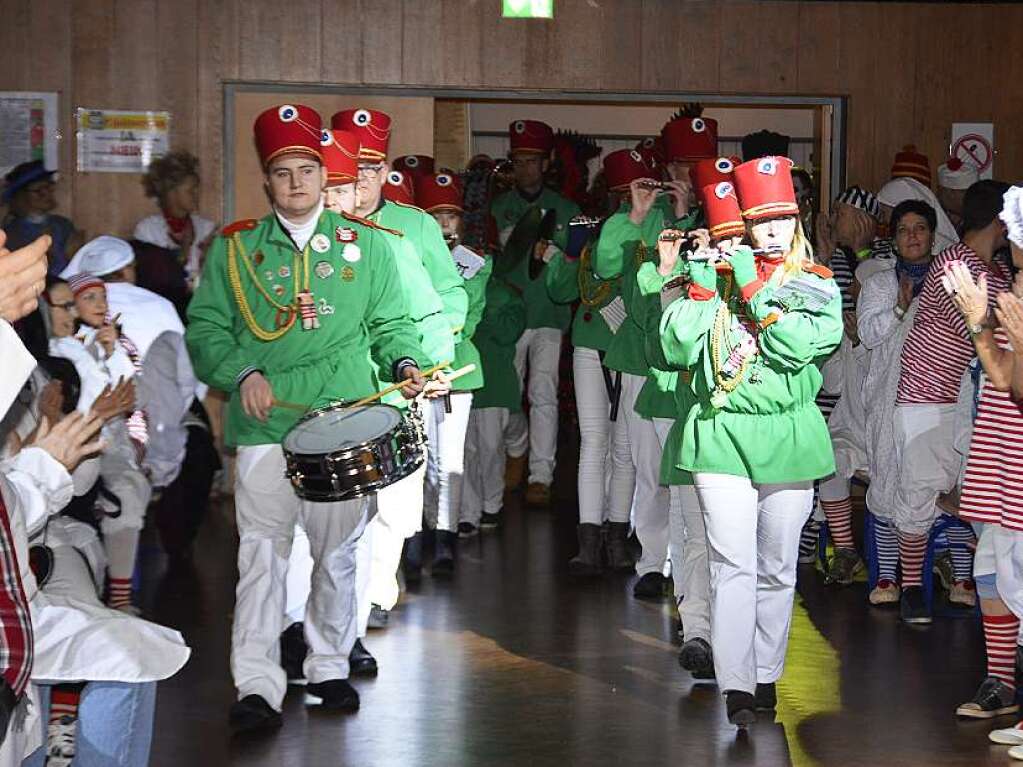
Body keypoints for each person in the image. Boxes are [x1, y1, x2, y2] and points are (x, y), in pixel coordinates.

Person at [185, 103, 435, 734]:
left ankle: (327, 666)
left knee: (337, 555)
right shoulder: (236, 249)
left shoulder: (370, 248)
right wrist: (244, 374)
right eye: (282, 172)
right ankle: (258, 683)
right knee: (261, 557)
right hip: (267, 429)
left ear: (325, 176)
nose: (295, 182)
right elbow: (208, 329)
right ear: (267, 181)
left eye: (306, 169)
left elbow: (392, 323)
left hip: (342, 425)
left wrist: (405, 358)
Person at [655, 155, 842, 726]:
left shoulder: (814, 283)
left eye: (782, 217)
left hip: (788, 434)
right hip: (720, 434)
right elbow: (675, 348)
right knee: (730, 563)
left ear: (796, 221)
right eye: (760, 219)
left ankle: (766, 675)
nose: (771, 229)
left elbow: (801, 347)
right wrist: (704, 289)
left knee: (778, 567)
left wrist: (755, 288)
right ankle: (737, 684)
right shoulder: (714, 277)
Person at [332, 107, 466, 625]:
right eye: (353, 168)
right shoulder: (323, 227)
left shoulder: (412, 226)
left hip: (397, 384)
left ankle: (374, 597)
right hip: (337, 387)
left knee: (394, 505)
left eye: (371, 169)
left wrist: (433, 361)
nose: (362, 181)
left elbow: (445, 297)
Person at [591, 113, 711, 600]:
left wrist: (688, 218)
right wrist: (638, 216)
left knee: (694, 473)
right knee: (650, 468)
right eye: (681, 165)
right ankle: (653, 561)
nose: (686, 176)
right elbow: (604, 266)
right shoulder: (641, 218)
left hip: (699, 368)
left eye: (697, 167)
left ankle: (692, 569)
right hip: (644, 362)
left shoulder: (714, 217)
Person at [637, 167, 748, 679]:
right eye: (715, 238)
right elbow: (664, 347)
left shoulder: (763, 283)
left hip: (750, 438)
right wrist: (669, 274)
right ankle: (699, 633)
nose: (723, 248)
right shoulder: (690, 282)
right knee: (694, 540)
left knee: (739, 547)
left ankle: (734, 640)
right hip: (695, 430)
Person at [891, 180, 1011, 624]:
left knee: (976, 495)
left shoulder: (993, 270)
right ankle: (912, 588)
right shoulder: (955, 264)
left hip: (965, 401)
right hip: (923, 396)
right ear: (1001, 221)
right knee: (919, 491)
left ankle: (982, 587)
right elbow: (991, 323)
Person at [545, 149, 643, 575]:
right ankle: (588, 538)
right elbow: (563, 290)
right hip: (590, 343)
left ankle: (616, 537)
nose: (625, 199)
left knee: (623, 447)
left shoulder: (651, 228)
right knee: (594, 441)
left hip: (628, 347)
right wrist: (566, 255)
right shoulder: (588, 231)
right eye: (620, 190)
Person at [941, 217, 1023, 720]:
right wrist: (980, 319)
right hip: (1001, 442)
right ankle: (1001, 681)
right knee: (991, 567)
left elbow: (1017, 383)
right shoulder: (1014, 279)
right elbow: (1004, 375)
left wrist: (982, 322)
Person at [489, 119, 581, 506]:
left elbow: (576, 264)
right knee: (507, 395)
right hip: (508, 317)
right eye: (519, 160)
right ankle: (516, 450)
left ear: (545, 164)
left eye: (533, 160)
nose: (526, 167)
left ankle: (541, 475)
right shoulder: (498, 208)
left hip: (548, 314)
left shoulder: (567, 209)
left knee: (542, 392)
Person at [49, 273, 149, 614]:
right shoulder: (53, 350)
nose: (99, 306)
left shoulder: (87, 343)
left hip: (105, 443)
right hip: (75, 449)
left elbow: (129, 394)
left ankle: (119, 597)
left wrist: (111, 350)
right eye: (87, 299)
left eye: (102, 298)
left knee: (129, 494)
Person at [856, 200, 938, 606]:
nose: (912, 236)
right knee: (887, 483)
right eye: (903, 230)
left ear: (932, 235)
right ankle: (889, 577)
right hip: (889, 400)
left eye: (919, 228)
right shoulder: (879, 283)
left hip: (939, 401)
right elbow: (869, 335)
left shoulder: (949, 280)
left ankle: (925, 582)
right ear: (893, 238)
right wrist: (900, 307)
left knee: (934, 487)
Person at [418, 171, 491, 544]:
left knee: (450, 458)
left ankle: (444, 533)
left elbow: (469, 316)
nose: (445, 223)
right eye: (435, 215)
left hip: (456, 368)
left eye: (452, 215)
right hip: (413, 368)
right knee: (421, 459)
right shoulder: (409, 256)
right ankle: (422, 528)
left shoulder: (474, 264)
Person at [133, 151, 217, 291]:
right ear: (171, 192)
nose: (197, 195)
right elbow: (152, 280)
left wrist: (209, 258)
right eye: (191, 191)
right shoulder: (147, 230)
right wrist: (183, 252)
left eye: (197, 189)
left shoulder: (207, 228)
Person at [1, 162, 81, 276]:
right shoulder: (12, 233)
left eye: (48, 187)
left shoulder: (63, 224)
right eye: (38, 190)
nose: (46, 194)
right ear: (20, 197)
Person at [936, 157, 980, 231]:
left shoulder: (979, 217)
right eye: (967, 193)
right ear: (949, 192)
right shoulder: (931, 216)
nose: (974, 198)